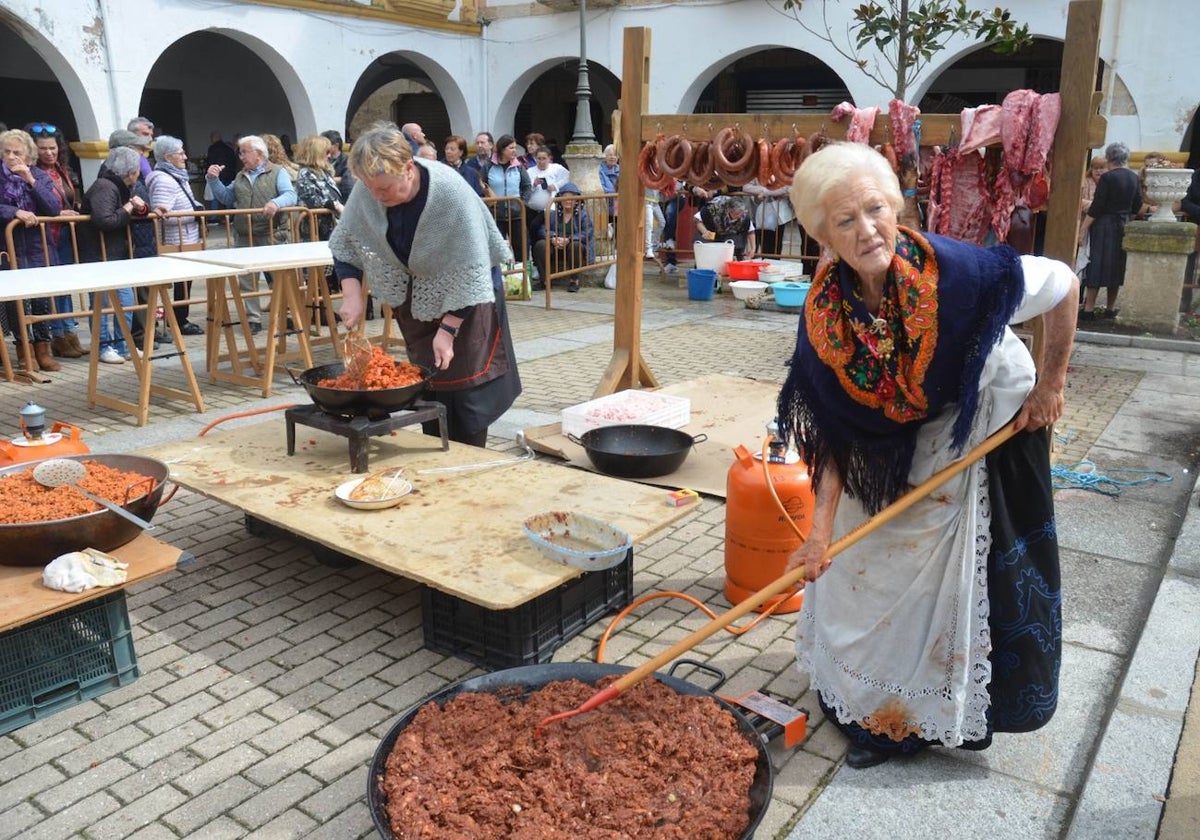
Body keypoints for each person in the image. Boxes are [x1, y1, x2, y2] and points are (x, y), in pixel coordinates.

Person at [777, 141, 1078, 769]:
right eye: (845, 221)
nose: (867, 231)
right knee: (860, 564)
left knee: (927, 581)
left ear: (898, 207)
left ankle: (905, 723)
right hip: (885, 444)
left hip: (975, 420)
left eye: (876, 209)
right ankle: (862, 699)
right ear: (821, 236)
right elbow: (835, 431)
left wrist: (1052, 385)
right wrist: (819, 532)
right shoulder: (826, 320)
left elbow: (1064, 284)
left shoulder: (961, 278)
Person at [329, 121, 521, 446]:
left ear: (407, 168)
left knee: (466, 394)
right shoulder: (370, 188)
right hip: (417, 298)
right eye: (370, 188)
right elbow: (346, 242)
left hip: (468, 296)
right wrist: (351, 296)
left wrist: (447, 330)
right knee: (428, 383)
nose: (376, 196)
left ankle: (468, 458)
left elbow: (473, 268)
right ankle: (435, 449)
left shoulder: (450, 194)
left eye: (385, 189)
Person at [205, 134, 297, 334]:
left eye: (244, 152)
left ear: (259, 154)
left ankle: (285, 316)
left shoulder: (278, 172)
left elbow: (290, 195)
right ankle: (253, 319)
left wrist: (275, 203)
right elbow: (227, 197)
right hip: (245, 235)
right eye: (240, 152)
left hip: (272, 233)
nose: (241, 156)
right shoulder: (240, 175)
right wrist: (213, 180)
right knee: (248, 280)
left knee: (277, 278)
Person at [0, 127, 63, 372]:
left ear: (28, 156)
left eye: (17, 152)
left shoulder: (38, 176)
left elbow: (53, 208)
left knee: (40, 301)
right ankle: (25, 352)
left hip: (38, 249)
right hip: (8, 248)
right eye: (7, 152)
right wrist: (13, 212)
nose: (12, 156)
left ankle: (43, 350)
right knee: (16, 304)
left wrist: (30, 180)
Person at [78, 146, 148, 364]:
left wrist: (140, 208)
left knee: (125, 301)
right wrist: (128, 207)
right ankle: (103, 346)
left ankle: (123, 344)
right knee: (102, 304)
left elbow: (139, 211)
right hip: (99, 255)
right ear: (131, 171)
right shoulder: (105, 186)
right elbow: (105, 220)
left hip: (117, 254)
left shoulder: (123, 187)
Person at [28, 122, 85, 358]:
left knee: (66, 286)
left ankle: (70, 332)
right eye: (43, 148)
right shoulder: (30, 173)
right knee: (52, 288)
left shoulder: (62, 170)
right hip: (45, 236)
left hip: (65, 235)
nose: (49, 153)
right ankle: (57, 336)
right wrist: (57, 213)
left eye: (52, 148)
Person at [1076, 142, 1142, 320]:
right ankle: (1110, 309)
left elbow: (1097, 206)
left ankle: (1089, 309)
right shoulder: (1133, 177)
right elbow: (1137, 204)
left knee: (1096, 265)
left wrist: (1083, 228)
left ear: (1109, 158)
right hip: (1122, 224)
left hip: (1104, 225)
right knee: (1117, 267)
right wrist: (1128, 219)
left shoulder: (1107, 178)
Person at [147, 134, 204, 335]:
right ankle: (178, 320)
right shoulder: (163, 179)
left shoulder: (176, 174)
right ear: (168, 156)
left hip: (186, 237)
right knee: (181, 282)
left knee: (185, 281)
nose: (185, 157)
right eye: (180, 153)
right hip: (175, 239)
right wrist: (191, 214)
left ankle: (180, 318)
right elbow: (162, 214)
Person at [531, 182, 594, 293]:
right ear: (559, 199)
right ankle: (544, 281)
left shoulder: (582, 215)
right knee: (540, 244)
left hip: (573, 248)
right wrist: (553, 238)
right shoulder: (552, 214)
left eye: (571, 198)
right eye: (565, 197)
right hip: (555, 247)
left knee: (575, 245)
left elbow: (586, 233)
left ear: (577, 200)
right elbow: (542, 230)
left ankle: (574, 281)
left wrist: (569, 239)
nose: (568, 201)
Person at [482, 134, 531, 262]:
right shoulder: (488, 166)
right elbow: (481, 186)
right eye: (511, 148)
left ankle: (524, 278)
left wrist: (522, 202)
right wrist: (488, 203)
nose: (515, 151)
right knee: (498, 249)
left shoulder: (519, 166)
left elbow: (527, 186)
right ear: (502, 149)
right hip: (495, 214)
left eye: (515, 148)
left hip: (516, 214)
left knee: (521, 247)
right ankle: (500, 278)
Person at [1074, 156, 1107, 284]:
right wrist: (1097, 206)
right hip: (1084, 223)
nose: (1098, 171)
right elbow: (1079, 201)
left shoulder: (1108, 183)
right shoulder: (1085, 182)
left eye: (1102, 168)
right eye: (1095, 168)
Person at [745, 175, 795, 258]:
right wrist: (763, 190)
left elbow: (787, 187)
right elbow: (746, 187)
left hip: (779, 214)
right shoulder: (756, 174)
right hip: (761, 214)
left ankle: (775, 264)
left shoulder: (781, 173)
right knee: (764, 242)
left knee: (777, 244)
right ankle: (764, 263)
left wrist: (767, 192)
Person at [695, 194, 756, 260]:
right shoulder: (713, 208)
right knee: (707, 249)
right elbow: (697, 219)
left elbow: (751, 231)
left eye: (741, 213)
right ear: (729, 210)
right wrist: (705, 231)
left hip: (731, 233)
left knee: (736, 245)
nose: (739, 216)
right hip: (712, 229)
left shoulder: (744, 215)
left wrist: (753, 248)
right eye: (737, 214)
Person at [205, 131, 239, 213]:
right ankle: (230, 217)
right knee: (229, 195)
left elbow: (210, 162)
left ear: (213, 138)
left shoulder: (212, 148)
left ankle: (214, 218)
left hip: (218, 174)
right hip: (230, 174)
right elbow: (234, 162)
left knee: (215, 197)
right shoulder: (229, 148)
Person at [321, 130, 356, 202]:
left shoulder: (347, 161)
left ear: (336, 145)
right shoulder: (321, 160)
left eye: (327, 144)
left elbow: (348, 181)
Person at [598, 143, 619, 239]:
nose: (612, 157)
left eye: (615, 155)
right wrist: (615, 193)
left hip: (619, 204)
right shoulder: (600, 170)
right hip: (605, 203)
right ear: (604, 157)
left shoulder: (621, 170)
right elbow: (601, 187)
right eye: (610, 155)